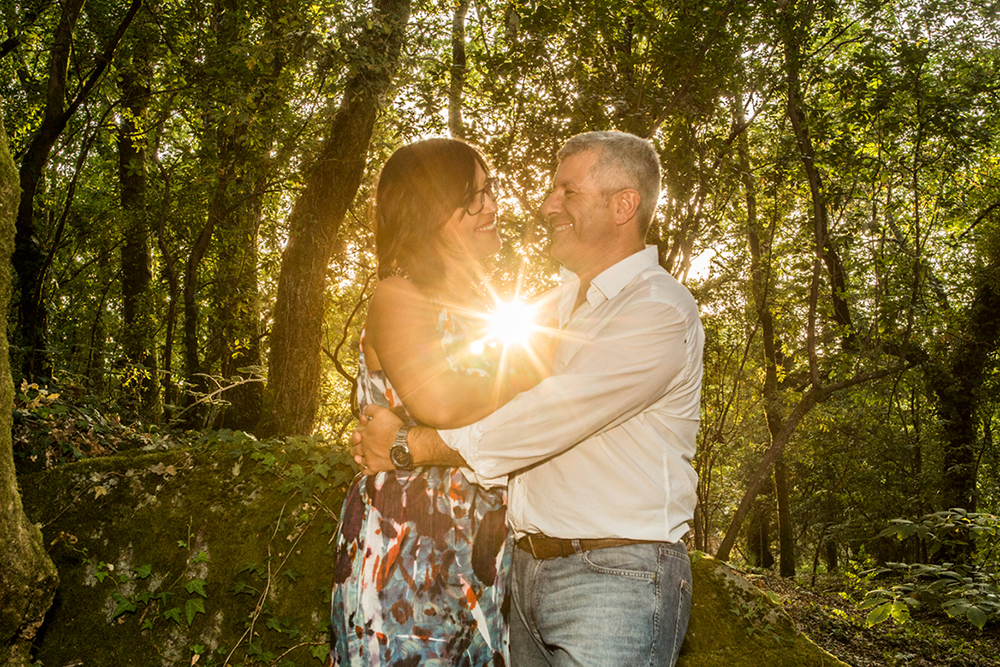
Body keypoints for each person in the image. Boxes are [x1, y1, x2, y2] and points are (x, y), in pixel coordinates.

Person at [353, 131, 704, 667]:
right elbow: (467, 393)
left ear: (623, 204)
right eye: (478, 194)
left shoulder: (656, 309)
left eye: (567, 192)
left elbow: (551, 413)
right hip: (475, 557)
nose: (544, 206)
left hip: (614, 576)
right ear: (434, 209)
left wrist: (408, 446)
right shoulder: (555, 305)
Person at [329, 138, 550, 666]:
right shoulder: (397, 295)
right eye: (474, 196)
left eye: (489, 190)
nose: (493, 206)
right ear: (431, 209)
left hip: (482, 547)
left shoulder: (482, 311)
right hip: (408, 544)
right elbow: (443, 404)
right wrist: (536, 379)